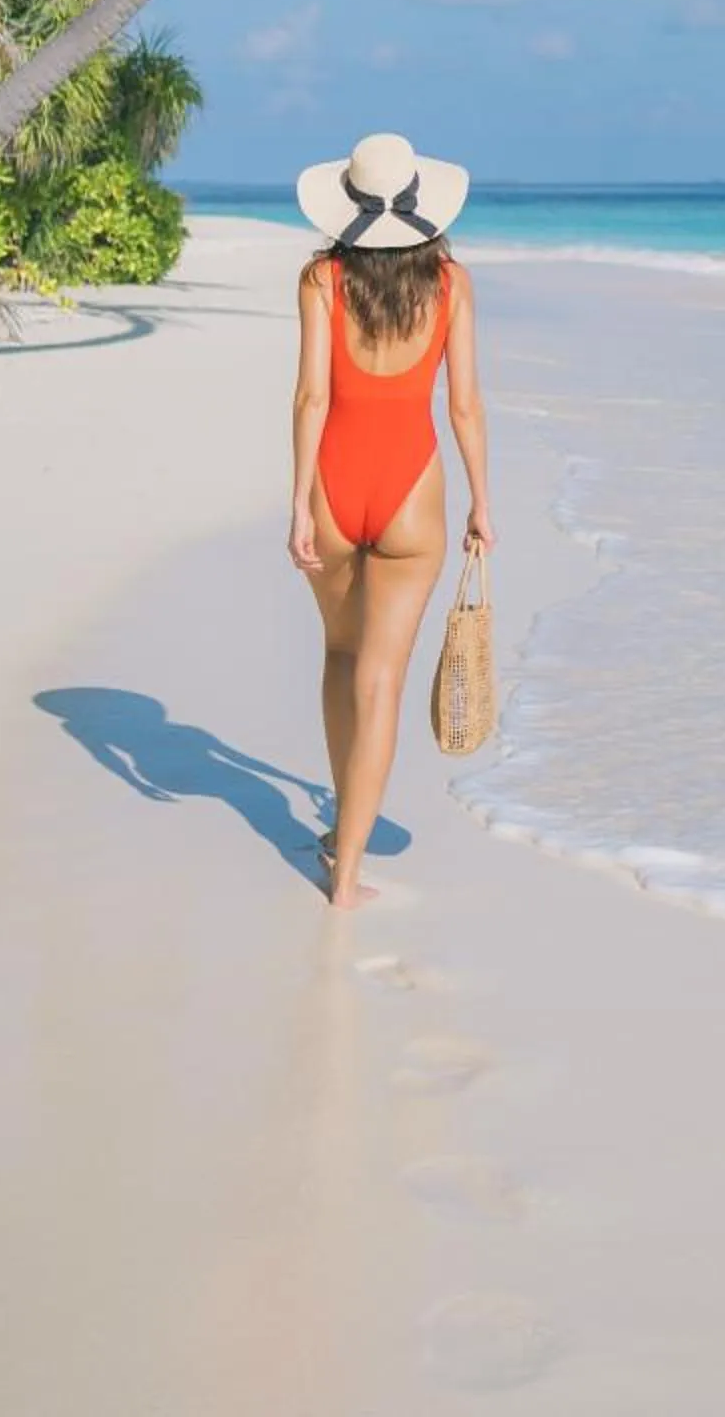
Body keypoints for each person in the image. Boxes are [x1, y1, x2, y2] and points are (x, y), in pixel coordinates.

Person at [287, 130, 493, 909]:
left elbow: (310, 398)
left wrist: (299, 501)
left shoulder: (320, 279)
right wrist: (482, 499)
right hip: (412, 492)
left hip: (335, 489)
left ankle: (342, 834)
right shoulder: (453, 284)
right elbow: (464, 404)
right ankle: (345, 876)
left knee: (340, 658)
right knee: (382, 681)